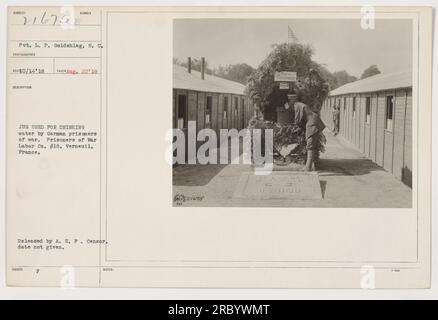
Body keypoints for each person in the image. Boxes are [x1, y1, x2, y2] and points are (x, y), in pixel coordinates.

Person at [294, 100, 326, 171]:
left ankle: (308, 167)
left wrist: (295, 125)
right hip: (312, 120)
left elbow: (297, 119)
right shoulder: (301, 105)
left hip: (312, 121)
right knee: (311, 144)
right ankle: (308, 166)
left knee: (310, 144)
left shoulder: (297, 105)